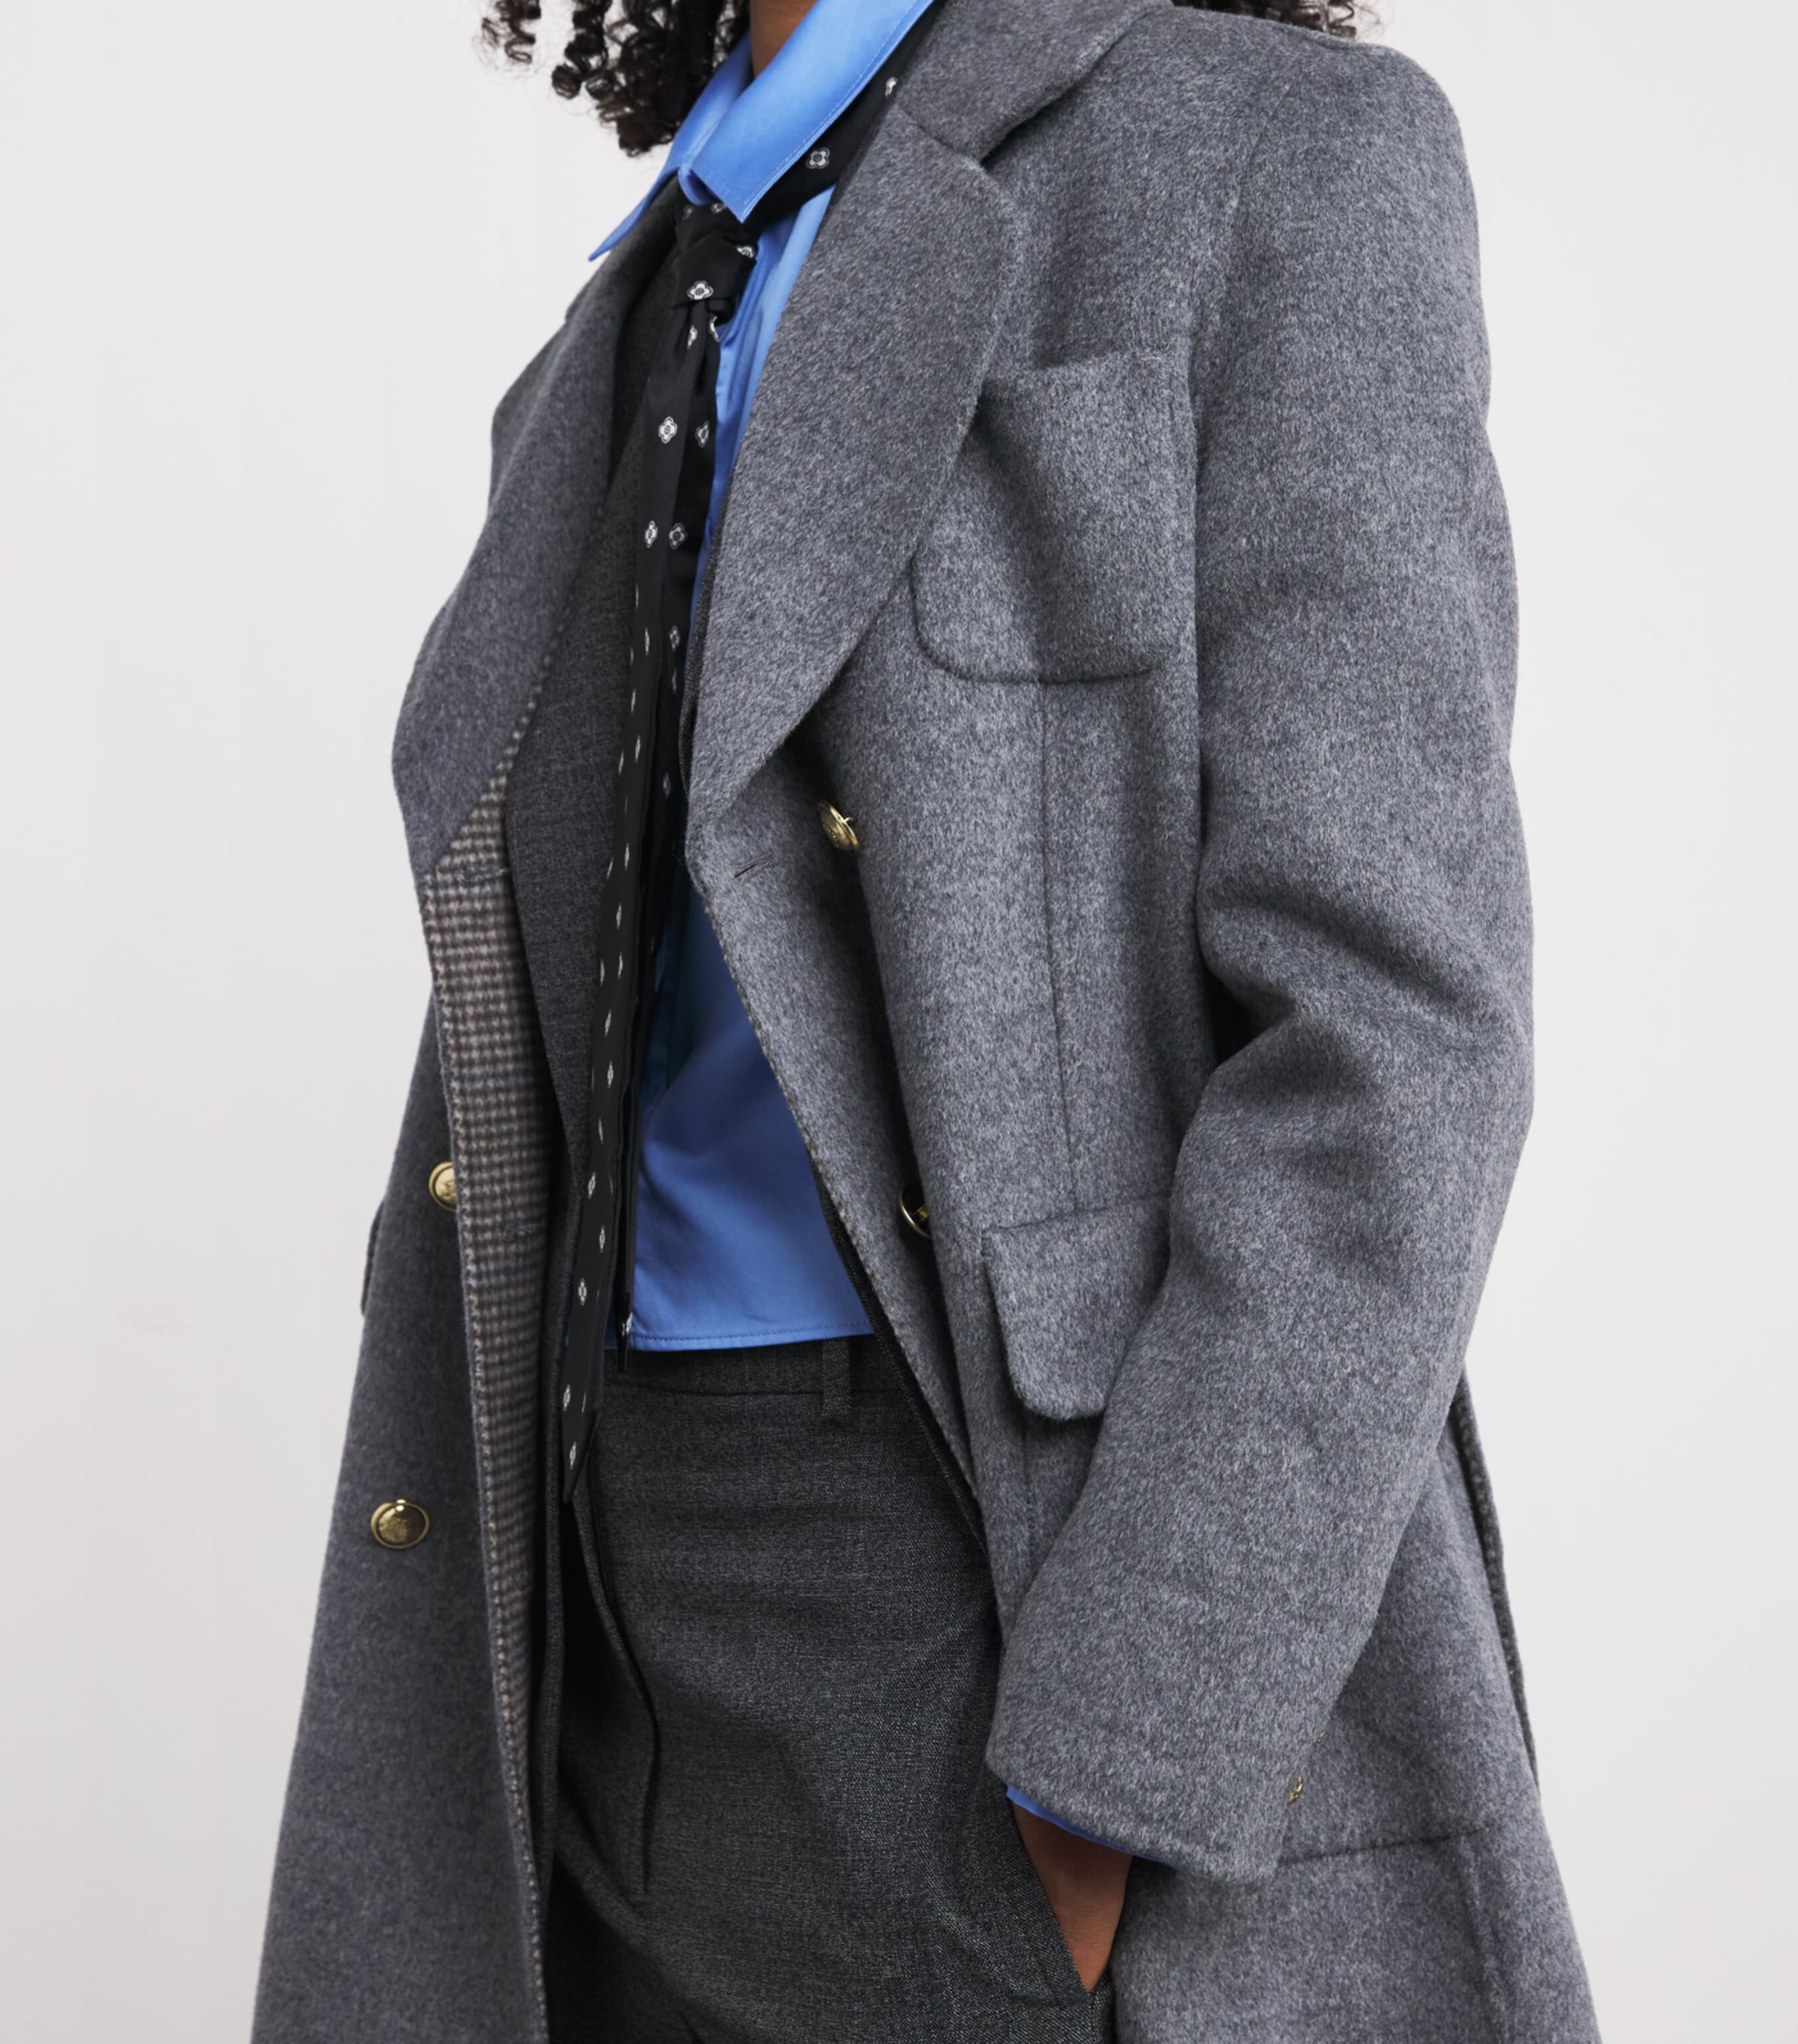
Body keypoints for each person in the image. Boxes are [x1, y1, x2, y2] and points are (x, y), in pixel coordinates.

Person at [253, 0, 1600, 2036]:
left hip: (992, 1594)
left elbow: (1395, 1032)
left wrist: (1116, 1758)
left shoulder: (1274, 157)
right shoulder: (648, 288)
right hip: (573, 1600)